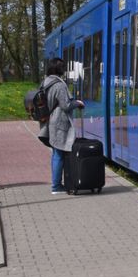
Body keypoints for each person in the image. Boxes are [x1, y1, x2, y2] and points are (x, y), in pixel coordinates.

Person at [40, 57, 85, 194]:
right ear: (59, 68)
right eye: (63, 67)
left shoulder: (46, 82)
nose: (64, 69)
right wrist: (78, 103)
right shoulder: (59, 85)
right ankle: (56, 186)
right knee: (59, 154)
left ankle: (57, 184)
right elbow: (65, 106)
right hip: (59, 122)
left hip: (50, 121)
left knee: (56, 153)